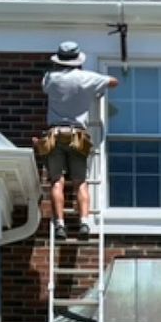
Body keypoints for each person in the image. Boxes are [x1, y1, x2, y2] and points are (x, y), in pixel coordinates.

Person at [38, 41, 117, 238]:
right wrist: (97, 89)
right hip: (77, 135)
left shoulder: (50, 78)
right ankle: (83, 222)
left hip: (55, 134)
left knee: (57, 181)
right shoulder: (86, 78)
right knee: (80, 182)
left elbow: (45, 88)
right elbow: (113, 81)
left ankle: (60, 224)